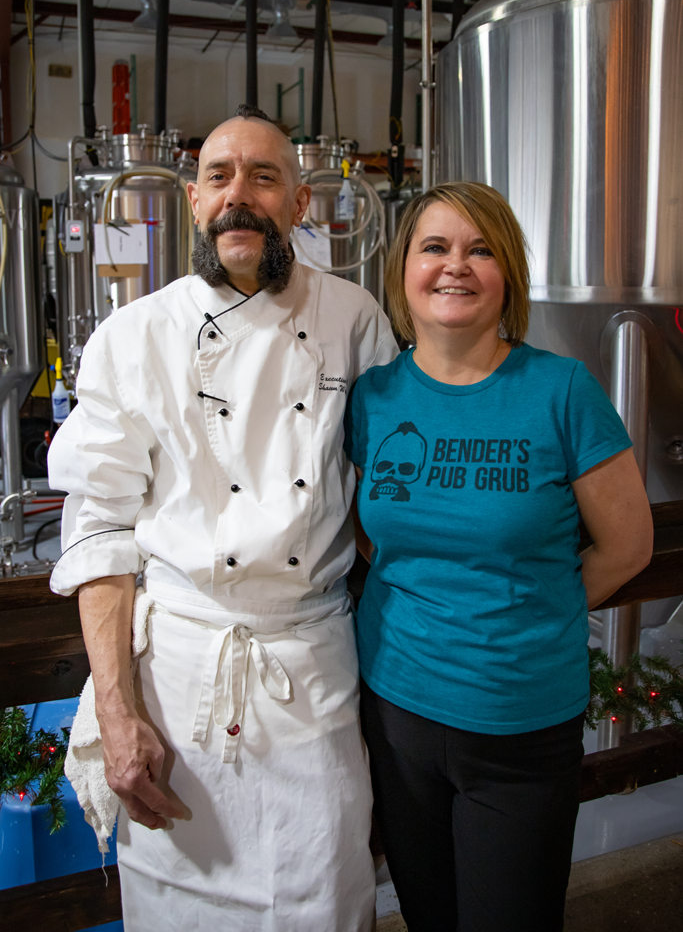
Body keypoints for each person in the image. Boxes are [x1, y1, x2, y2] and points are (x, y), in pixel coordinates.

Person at [48, 104, 397, 932]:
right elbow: (97, 528)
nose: (239, 196)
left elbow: (391, 483)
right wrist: (116, 708)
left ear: (301, 204)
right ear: (195, 201)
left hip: (310, 676)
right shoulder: (132, 336)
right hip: (179, 692)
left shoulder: (355, 321)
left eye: (264, 177)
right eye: (218, 177)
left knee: (324, 902)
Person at [343, 182, 653, 932]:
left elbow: (626, 545)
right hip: (395, 713)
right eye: (435, 248)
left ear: (506, 272)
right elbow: (366, 531)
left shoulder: (559, 390)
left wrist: (530, 607)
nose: (457, 266)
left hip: (518, 726)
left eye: (480, 249)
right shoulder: (373, 396)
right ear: (403, 272)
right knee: (428, 916)